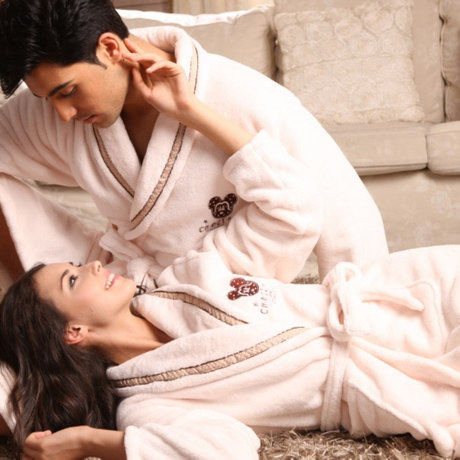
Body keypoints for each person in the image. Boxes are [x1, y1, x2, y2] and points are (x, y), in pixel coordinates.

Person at [0, 0, 388, 286]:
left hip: (229, 292)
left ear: (111, 48)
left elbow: (343, 207)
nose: (63, 114)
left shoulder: (243, 96)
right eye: (47, 99)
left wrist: (361, 308)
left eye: (68, 92)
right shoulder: (59, 111)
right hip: (132, 289)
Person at [0, 241, 458, 459]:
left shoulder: (181, 280)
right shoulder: (146, 405)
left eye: (77, 263)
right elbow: (226, 451)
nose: (94, 265)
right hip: (390, 380)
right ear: (73, 331)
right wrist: (88, 441)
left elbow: (285, 217)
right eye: (74, 278)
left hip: (403, 291)